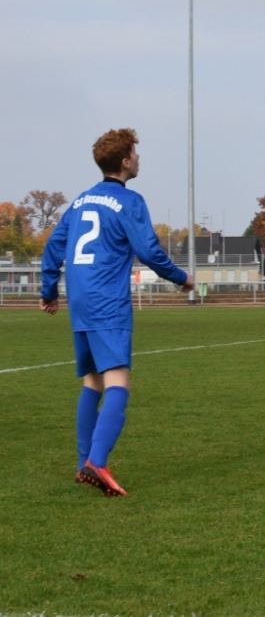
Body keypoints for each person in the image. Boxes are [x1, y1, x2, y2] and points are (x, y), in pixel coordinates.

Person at [39, 128, 194, 496]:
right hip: (107, 302)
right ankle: (97, 462)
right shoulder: (130, 201)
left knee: (93, 381)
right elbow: (149, 250)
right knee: (118, 384)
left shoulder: (80, 201)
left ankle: (84, 464)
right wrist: (181, 277)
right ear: (124, 162)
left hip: (80, 301)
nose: (139, 159)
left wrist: (49, 291)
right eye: (135, 154)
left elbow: (53, 247)